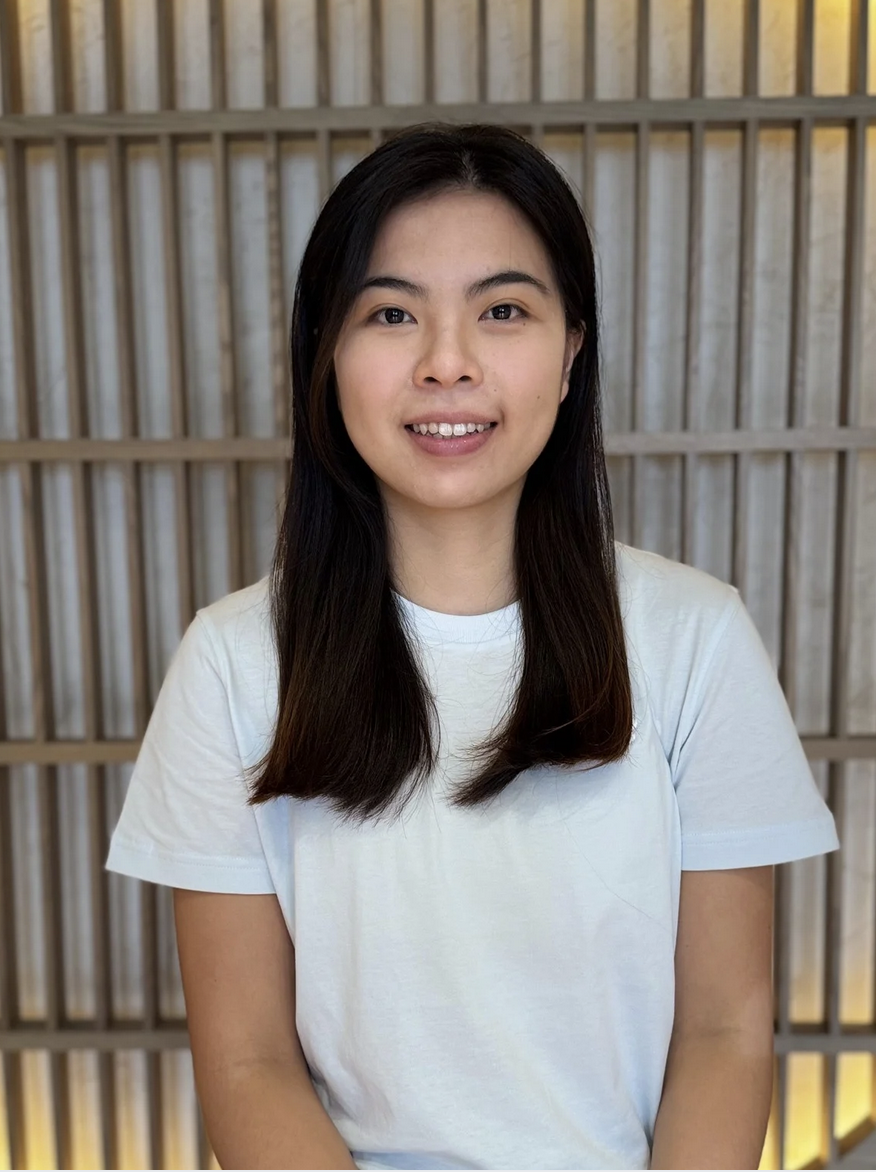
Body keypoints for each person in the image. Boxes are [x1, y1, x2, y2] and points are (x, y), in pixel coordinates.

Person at [105, 122, 839, 1171]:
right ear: (327, 353)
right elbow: (248, 1062)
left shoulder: (695, 639)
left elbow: (724, 1029)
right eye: (391, 313)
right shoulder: (231, 664)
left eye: (502, 310)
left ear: (572, 347)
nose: (446, 363)